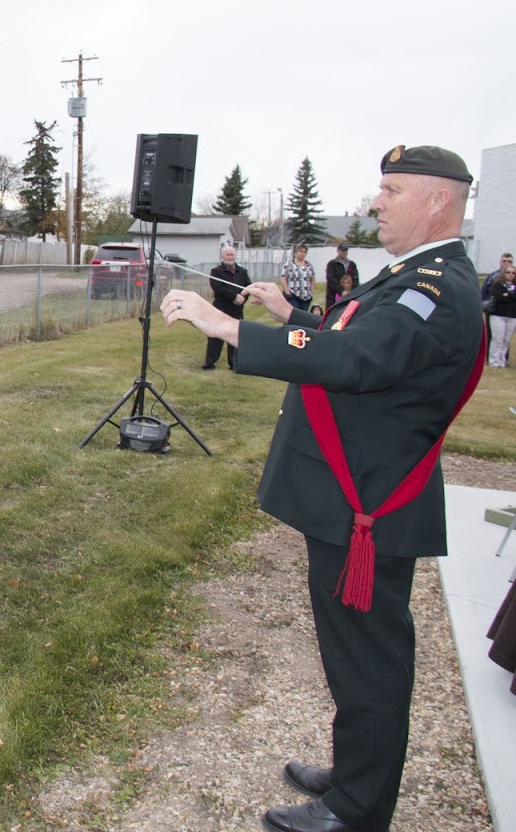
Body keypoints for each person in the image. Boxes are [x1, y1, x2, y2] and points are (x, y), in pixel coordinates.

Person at [160, 145, 482, 832]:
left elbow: (362, 357)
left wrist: (228, 327)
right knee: (354, 652)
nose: (375, 203)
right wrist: (289, 314)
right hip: (354, 495)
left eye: (392, 190)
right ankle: (357, 770)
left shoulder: (434, 288)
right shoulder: (412, 277)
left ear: (437, 200)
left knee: (370, 658)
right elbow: (349, 340)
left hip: (367, 502)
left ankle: (357, 810)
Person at [201, 244, 250, 371]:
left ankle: (234, 363)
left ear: (235, 256)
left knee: (234, 336)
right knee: (215, 336)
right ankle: (210, 363)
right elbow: (218, 288)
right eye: (227, 254)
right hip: (221, 308)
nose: (229, 257)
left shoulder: (242, 272)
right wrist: (234, 296)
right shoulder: (216, 271)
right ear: (222, 256)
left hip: (237, 309)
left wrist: (243, 299)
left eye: (232, 254)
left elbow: (248, 287)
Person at [486, 265, 516, 367]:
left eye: (513, 273)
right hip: (498, 315)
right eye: (508, 272)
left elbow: (511, 297)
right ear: (504, 273)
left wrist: (508, 295)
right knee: (497, 339)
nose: (510, 275)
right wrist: (510, 296)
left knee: (506, 340)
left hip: (512, 316)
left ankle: (502, 361)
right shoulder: (497, 285)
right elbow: (498, 296)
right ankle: (493, 360)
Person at [279, 243, 316, 311]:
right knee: (295, 315)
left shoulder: (309, 265)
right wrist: (287, 292)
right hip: (294, 295)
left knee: (304, 316)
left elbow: (312, 279)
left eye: (304, 252)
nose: (302, 254)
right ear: (296, 252)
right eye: (300, 251)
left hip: (306, 296)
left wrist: (311, 293)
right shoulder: (289, 264)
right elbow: (283, 278)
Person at [324, 243, 360, 309]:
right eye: (342, 250)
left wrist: (353, 292)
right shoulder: (332, 264)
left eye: (346, 251)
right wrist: (341, 290)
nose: (344, 252)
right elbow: (330, 279)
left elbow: (355, 279)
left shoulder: (352, 264)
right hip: (333, 295)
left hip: (349, 294)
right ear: (338, 251)